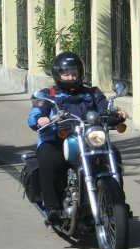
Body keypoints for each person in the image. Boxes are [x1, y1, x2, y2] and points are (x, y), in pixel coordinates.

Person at [27, 51, 128, 224]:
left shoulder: (92, 93)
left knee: (114, 155)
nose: (71, 77)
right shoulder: (48, 94)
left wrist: (117, 114)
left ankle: (117, 203)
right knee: (48, 160)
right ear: (58, 74)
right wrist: (40, 118)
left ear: (81, 73)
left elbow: (105, 109)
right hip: (56, 139)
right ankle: (53, 208)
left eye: (74, 72)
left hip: (88, 140)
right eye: (66, 73)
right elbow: (34, 114)